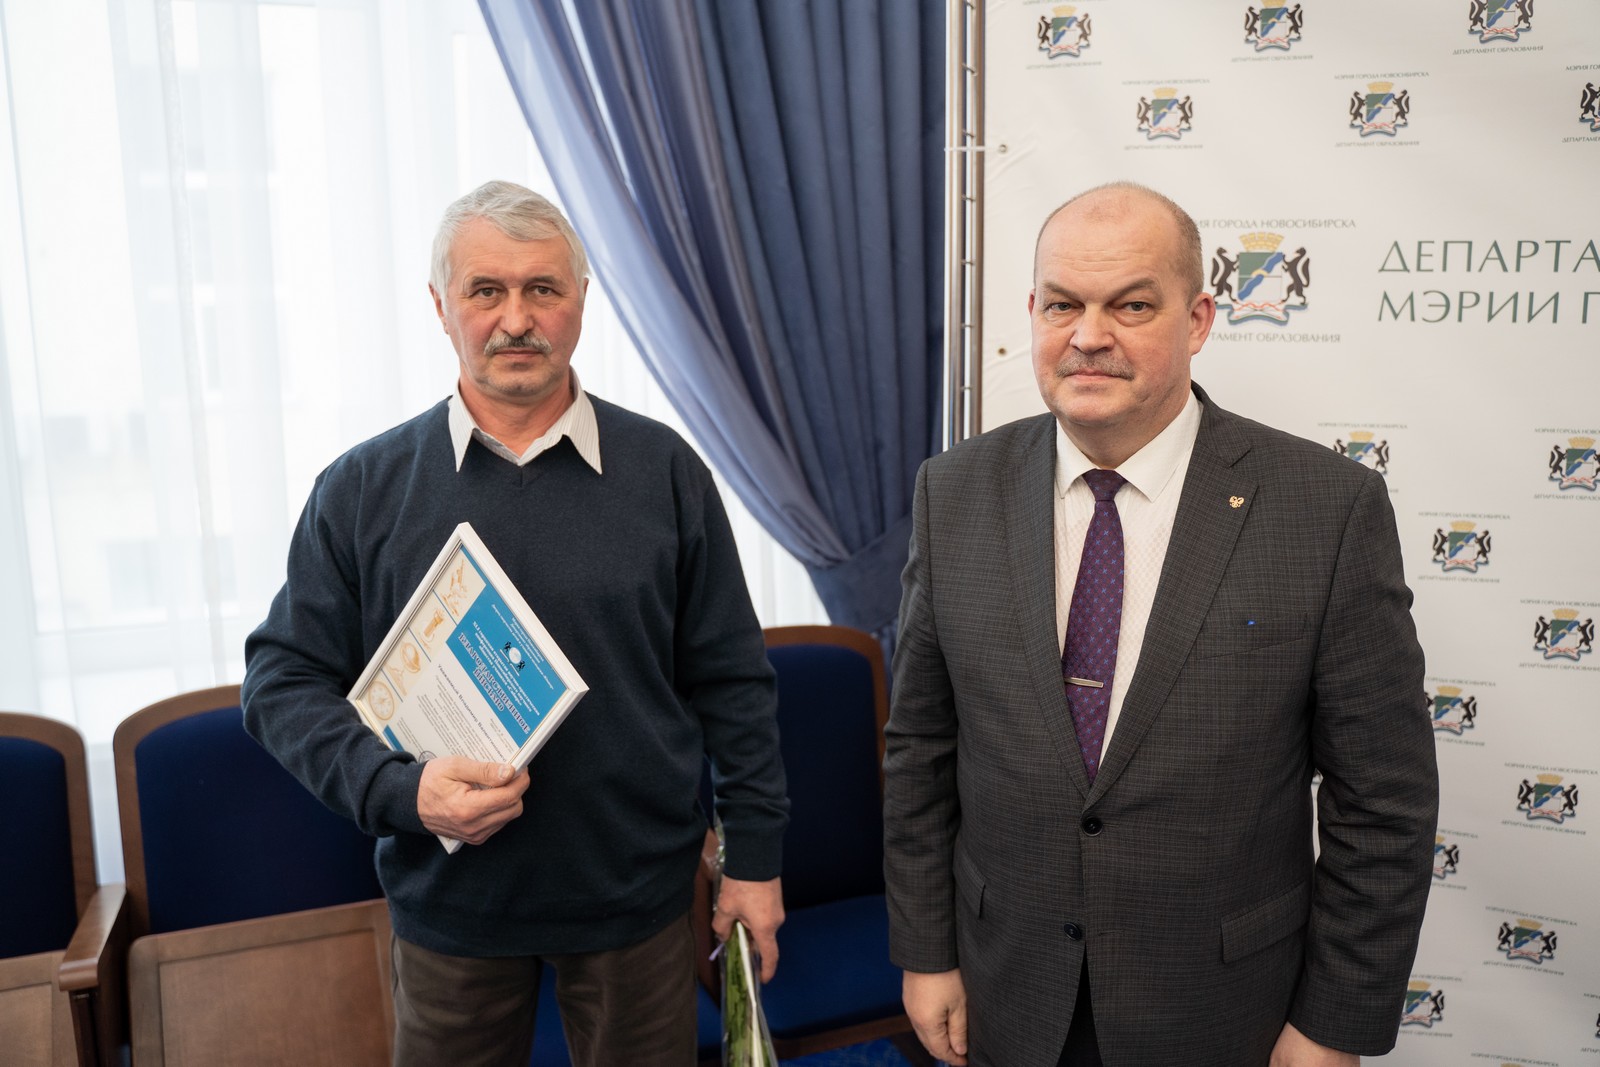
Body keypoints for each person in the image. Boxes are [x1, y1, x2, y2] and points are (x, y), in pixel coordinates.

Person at [882, 182, 1437, 1067]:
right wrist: (926, 949)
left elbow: (1384, 802)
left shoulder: (1327, 510)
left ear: (1199, 319)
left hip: (1223, 1013)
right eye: (1063, 304)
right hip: (1005, 989)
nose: (1089, 335)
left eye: (1132, 305)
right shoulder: (953, 492)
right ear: (1032, 313)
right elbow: (920, 746)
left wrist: (1334, 1022)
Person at [242, 180, 787, 1067]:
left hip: (636, 903)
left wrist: (754, 859)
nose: (516, 318)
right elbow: (279, 682)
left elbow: (733, 683)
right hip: (450, 907)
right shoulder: (362, 489)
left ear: (582, 301)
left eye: (543, 288)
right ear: (440, 307)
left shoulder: (667, 472)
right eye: (485, 290)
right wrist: (400, 791)